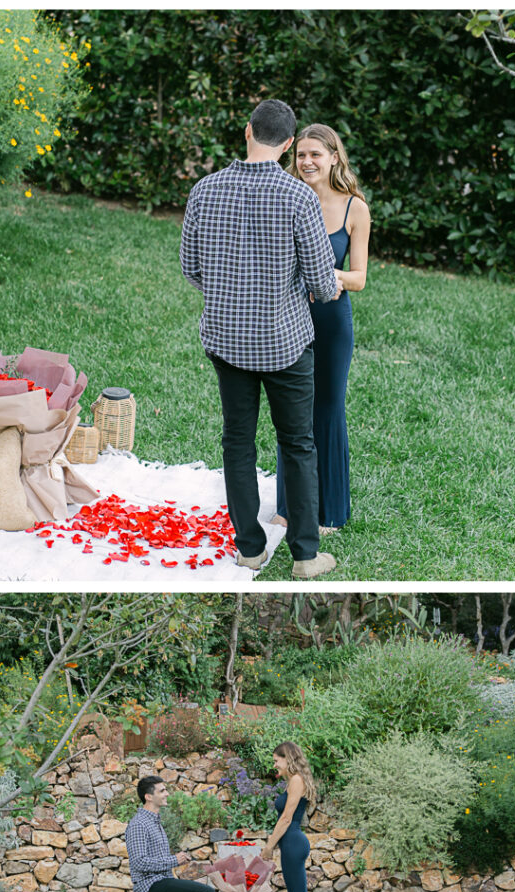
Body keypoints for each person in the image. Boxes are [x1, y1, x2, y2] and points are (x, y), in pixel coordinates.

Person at [180, 99, 344, 580]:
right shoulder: (299, 198)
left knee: (238, 443)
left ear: (248, 131)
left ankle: (249, 549)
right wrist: (330, 283)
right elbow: (319, 279)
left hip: (227, 341)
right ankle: (305, 556)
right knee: (297, 443)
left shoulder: (204, 190)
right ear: (290, 144)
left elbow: (191, 269)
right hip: (285, 343)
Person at [274, 124, 370, 533]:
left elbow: (360, 277)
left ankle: (330, 509)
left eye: (316, 154)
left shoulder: (354, 209)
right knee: (291, 411)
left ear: (334, 157)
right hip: (288, 318)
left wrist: (323, 276)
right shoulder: (287, 198)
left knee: (327, 409)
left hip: (331, 321)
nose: (307, 161)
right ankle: (287, 505)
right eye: (301, 155)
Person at [79, 776, 218, 892]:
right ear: (148, 797)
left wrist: (176, 864)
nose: (167, 793)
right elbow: (139, 863)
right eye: (161, 790)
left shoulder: (154, 822)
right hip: (151, 888)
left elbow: (153, 859)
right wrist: (173, 860)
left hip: (159, 885)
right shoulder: (139, 824)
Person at [262, 741, 320, 892]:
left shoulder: (296, 780)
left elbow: (286, 818)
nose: (275, 764)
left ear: (288, 758)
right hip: (291, 843)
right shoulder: (294, 780)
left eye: (277, 760)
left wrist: (269, 847)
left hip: (293, 842)